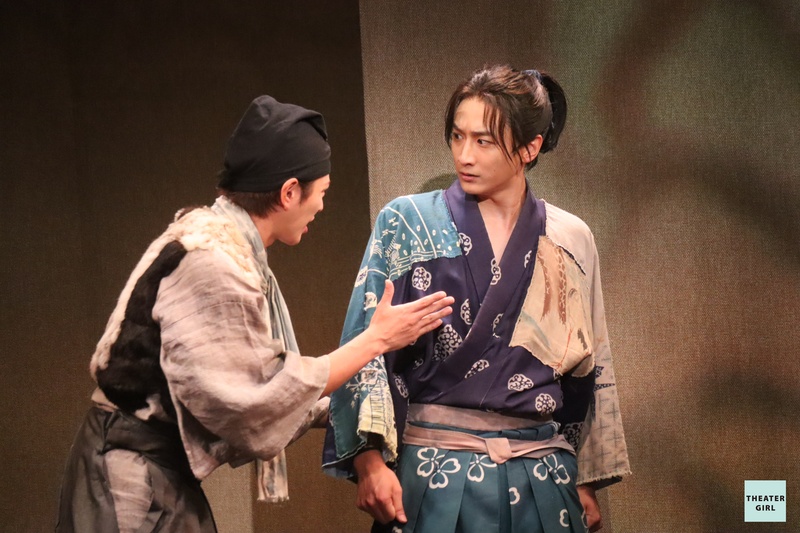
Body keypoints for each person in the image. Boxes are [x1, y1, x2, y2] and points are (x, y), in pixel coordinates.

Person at [55, 95, 454, 533]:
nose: (321, 206)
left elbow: (260, 385)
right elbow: (257, 398)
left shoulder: (220, 245)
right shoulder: (211, 262)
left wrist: (342, 410)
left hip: (154, 464)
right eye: (321, 193)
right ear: (289, 192)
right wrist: (375, 339)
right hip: (130, 474)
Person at [323, 65, 630, 532]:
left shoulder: (570, 238)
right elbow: (364, 343)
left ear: (529, 148)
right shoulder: (407, 222)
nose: (464, 155)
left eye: (483, 141)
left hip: (542, 476)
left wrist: (585, 480)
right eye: (457, 136)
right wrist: (369, 462)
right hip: (434, 473)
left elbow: (592, 362)